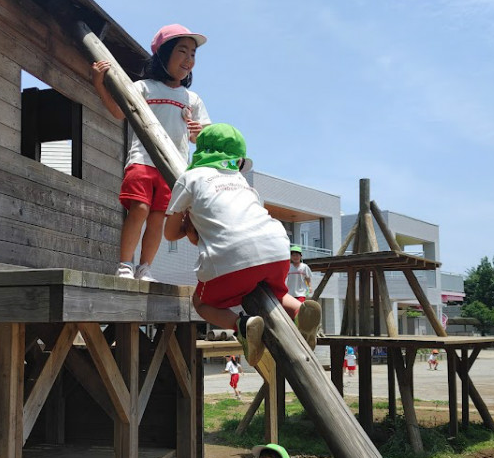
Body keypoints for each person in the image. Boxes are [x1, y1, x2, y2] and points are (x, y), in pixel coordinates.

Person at [163, 124, 322, 366]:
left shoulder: (190, 177)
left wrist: (189, 224)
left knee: (201, 303)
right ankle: (301, 312)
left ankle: (242, 326)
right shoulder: (243, 183)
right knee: (277, 293)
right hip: (277, 248)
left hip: (232, 257)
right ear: (236, 161)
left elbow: (170, 233)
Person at [92, 24, 211, 281]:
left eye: (193, 54)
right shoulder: (144, 87)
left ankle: (144, 268)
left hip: (174, 168)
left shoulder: (192, 98)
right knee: (140, 209)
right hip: (142, 159)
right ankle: (125, 265)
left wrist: (196, 131)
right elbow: (118, 112)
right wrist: (100, 84)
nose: (189, 59)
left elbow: (201, 137)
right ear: (163, 54)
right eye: (182, 51)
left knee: (158, 218)